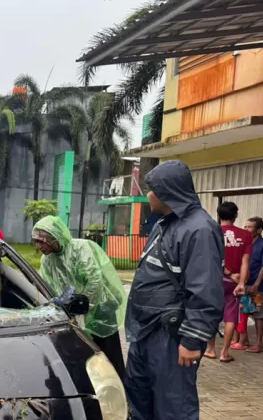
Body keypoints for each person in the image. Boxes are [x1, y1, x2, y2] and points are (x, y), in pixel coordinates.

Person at [124, 160, 224, 420]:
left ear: (169, 191)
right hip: (145, 332)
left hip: (171, 337)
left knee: (173, 408)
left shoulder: (199, 229)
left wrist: (192, 341)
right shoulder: (164, 224)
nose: (148, 194)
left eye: (152, 188)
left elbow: (206, 289)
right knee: (137, 402)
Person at [32, 215, 127, 378]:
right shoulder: (47, 260)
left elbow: (94, 281)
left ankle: (118, 388)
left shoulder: (81, 249)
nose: (38, 246)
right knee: (84, 352)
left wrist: (85, 308)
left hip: (101, 308)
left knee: (108, 353)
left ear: (55, 237)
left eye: (42, 241)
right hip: (74, 310)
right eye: (35, 241)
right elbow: (47, 287)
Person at [204, 201, 250, 362]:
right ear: (235, 216)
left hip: (215, 280)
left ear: (218, 215)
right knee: (231, 317)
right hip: (235, 281)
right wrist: (241, 282)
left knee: (212, 314)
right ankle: (224, 353)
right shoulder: (245, 235)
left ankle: (210, 350)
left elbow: (211, 259)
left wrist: (227, 273)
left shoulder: (212, 232)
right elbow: (245, 262)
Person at [233, 217, 263, 353]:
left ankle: (259, 344)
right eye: (245, 226)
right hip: (243, 284)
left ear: (259, 230)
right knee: (242, 312)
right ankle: (245, 340)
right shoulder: (245, 243)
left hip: (258, 287)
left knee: (259, 315)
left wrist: (256, 284)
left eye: (250, 227)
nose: (246, 229)